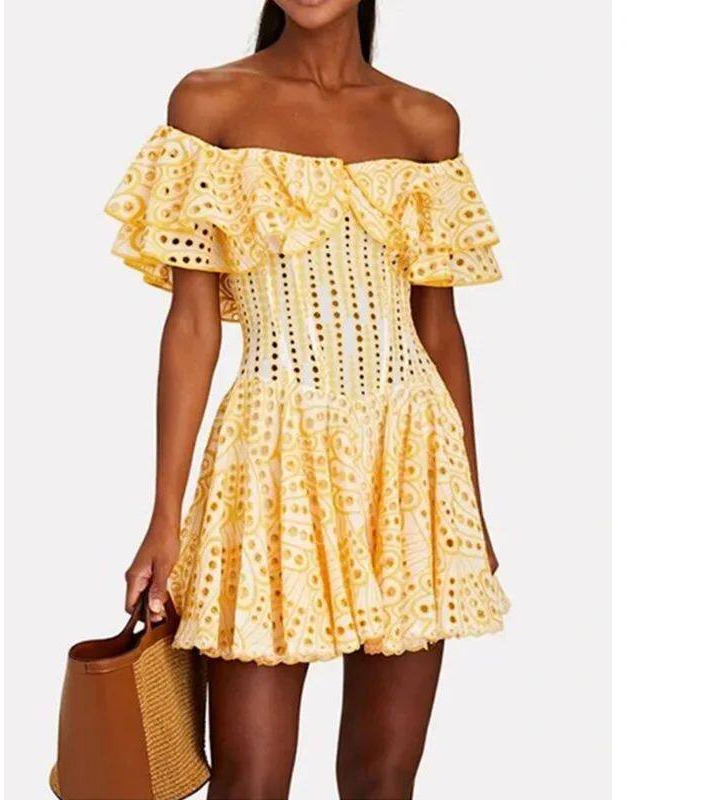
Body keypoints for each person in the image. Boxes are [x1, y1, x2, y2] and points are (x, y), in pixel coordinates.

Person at [106, 1, 509, 797]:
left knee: (382, 779)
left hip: (410, 463)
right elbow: (192, 326)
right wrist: (165, 515)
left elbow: (440, 331)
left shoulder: (427, 122)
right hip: (271, 458)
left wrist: (469, 507)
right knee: (251, 781)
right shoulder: (209, 104)